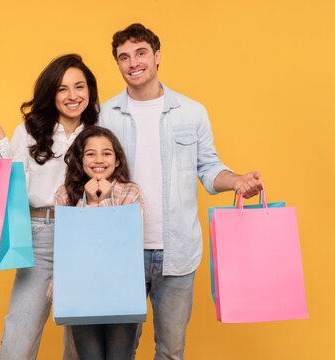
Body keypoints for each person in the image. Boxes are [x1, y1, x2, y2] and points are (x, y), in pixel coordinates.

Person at [98, 23, 263, 359]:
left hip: (178, 254)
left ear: (157, 57)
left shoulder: (191, 112)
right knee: (117, 352)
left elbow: (209, 167)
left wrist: (236, 181)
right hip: (120, 252)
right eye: (124, 57)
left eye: (141, 53)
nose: (133, 62)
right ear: (118, 64)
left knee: (171, 350)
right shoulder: (104, 115)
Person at [0, 53, 97, 360]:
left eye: (80, 86)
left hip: (88, 236)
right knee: (18, 338)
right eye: (62, 89)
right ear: (51, 92)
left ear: (90, 90)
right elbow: (14, 183)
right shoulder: (31, 130)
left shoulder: (99, 129)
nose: (73, 96)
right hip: (41, 234)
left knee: (83, 344)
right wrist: (1, 148)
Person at [54, 125, 143, 360]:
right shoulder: (64, 195)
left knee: (120, 356)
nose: (99, 159)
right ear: (80, 159)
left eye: (106, 153)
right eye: (90, 153)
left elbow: (127, 239)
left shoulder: (130, 192)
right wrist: (90, 202)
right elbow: (68, 244)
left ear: (117, 160)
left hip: (121, 287)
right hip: (80, 288)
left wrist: (103, 203)